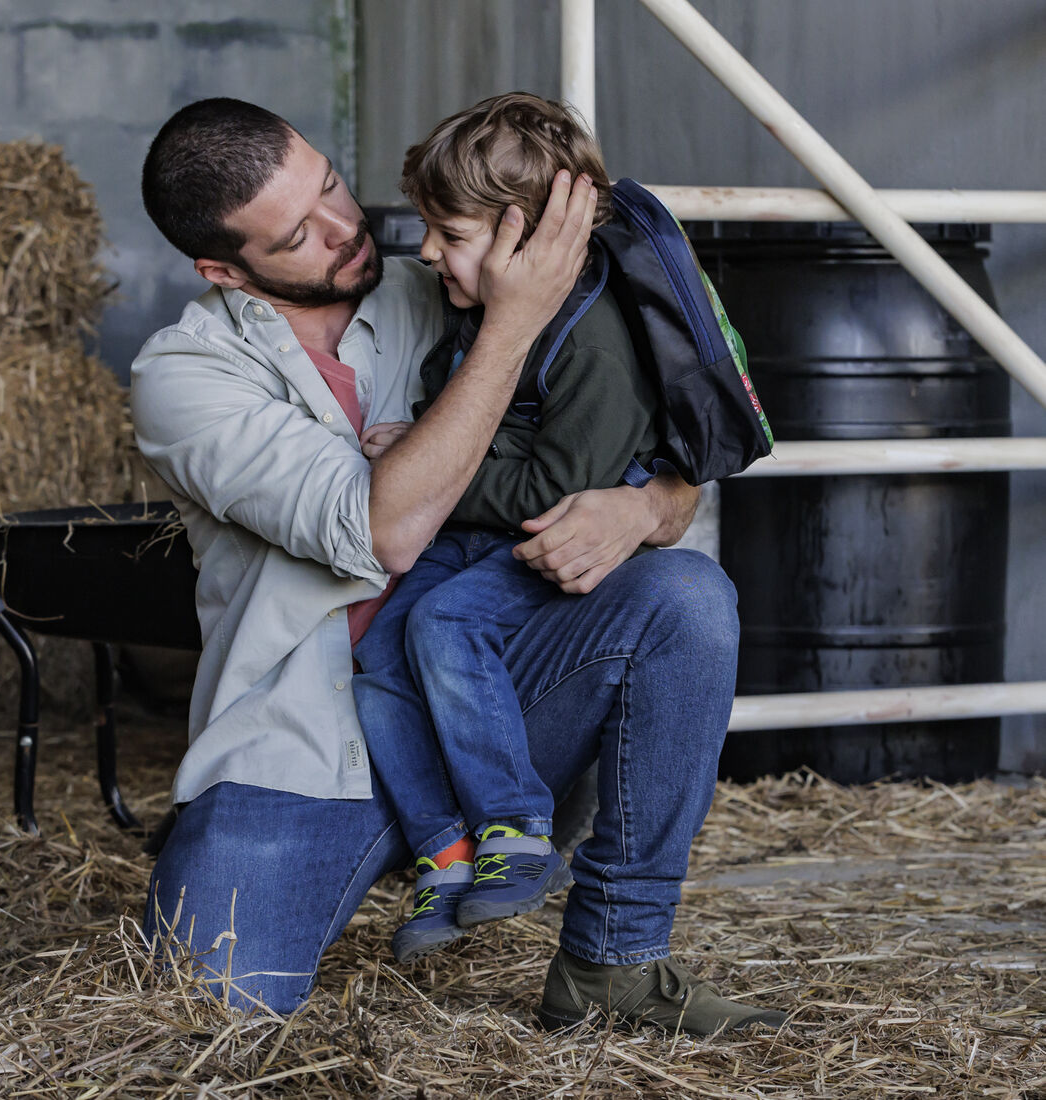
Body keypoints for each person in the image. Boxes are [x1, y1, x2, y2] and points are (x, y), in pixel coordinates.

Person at [131, 96, 785, 1035]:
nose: (345, 230)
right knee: (200, 1008)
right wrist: (516, 322)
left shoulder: (439, 281)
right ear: (224, 270)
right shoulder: (183, 377)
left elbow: (667, 482)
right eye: (298, 235)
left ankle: (616, 959)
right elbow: (384, 529)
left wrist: (640, 505)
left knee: (683, 597)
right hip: (308, 744)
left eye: (331, 188)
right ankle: (430, 852)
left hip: (493, 692)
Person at [350, 93, 662, 966]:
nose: (427, 251)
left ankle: (519, 833)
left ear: (523, 237)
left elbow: (556, 491)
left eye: (449, 232)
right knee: (376, 656)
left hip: (532, 546)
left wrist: (423, 460)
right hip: (473, 535)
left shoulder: (596, 343)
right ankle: (444, 853)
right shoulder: (470, 312)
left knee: (446, 624)